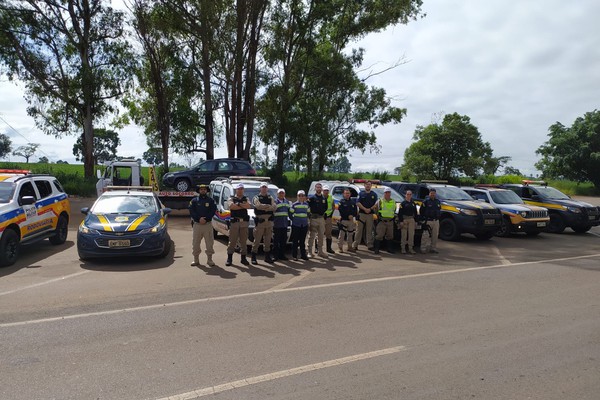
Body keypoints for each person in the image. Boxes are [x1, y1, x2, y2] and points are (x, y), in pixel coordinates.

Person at [188, 184, 217, 266]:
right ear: (199, 191)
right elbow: (191, 211)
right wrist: (198, 219)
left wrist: (206, 219)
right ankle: (196, 260)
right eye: (201, 189)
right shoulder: (194, 201)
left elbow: (213, 211)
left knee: (209, 243)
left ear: (207, 190)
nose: (203, 190)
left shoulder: (211, 201)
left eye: (204, 189)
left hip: (207, 225)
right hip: (197, 225)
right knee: (195, 243)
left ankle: (210, 260)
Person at [226, 183, 252, 266]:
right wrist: (242, 206)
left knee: (243, 241)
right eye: (238, 189)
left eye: (241, 189)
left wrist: (239, 204)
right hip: (235, 222)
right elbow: (231, 206)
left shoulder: (246, 198)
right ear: (236, 190)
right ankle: (229, 258)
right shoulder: (231, 198)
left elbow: (248, 206)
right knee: (232, 241)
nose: (240, 190)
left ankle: (243, 259)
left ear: (243, 190)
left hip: (244, 222)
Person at [251, 182, 276, 264]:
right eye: (263, 187)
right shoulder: (256, 197)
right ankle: (253, 257)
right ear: (260, 188)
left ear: (267, 188)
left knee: (268, 240)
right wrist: (268, 207)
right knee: (257, 240)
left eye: (265, 187)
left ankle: (267, 257)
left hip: (269, 221)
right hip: (260, 221)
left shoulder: (270, 197)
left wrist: (264, 207)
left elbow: (274, 207)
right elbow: (258, 206)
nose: (264, 188)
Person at [353, 181, 378, 250]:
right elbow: (357, 203)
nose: (368, 186)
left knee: (369, 230)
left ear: (371, 186)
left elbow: (376, 204)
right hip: (362, 214)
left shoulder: (374, 194)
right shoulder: (361, 194)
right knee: (359, 230)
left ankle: (369, 245)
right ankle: (355, 244)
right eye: (367, 185)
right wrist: (365, 209)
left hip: (370, 215)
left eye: (369, 185)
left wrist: (370, 209)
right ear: (364, 185)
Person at [307, 183, 328, 258]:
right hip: (314, 219)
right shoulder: (311, 198)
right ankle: (309, 252)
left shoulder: (324, 198)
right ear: (315, 189)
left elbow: (325, 208)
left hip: (321, 219)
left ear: (321, 189)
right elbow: (307, 206)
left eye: (320, 187)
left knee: (321, 236)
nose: (319, 189)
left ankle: (320, 251)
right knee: (312, 236)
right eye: (317, 187)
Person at [373, 187, 396, 254]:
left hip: (390, 221)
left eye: (389, 192)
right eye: (386, 192)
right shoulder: (380, 201)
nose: (387, 194)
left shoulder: (393, 201)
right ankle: (376, 249)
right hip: (382, 221)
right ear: (384, 193)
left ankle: (389, 249)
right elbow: (376, 210)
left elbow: (394, 210)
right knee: (379, 235)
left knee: (390, 236)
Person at [419, 188, 442, 253]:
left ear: (435, 194)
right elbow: (421, 211)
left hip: (436, 221)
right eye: (431, 193)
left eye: (434, 193)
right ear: (429, 194)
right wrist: (423, 220)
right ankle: (423, 249)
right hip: (428, 220)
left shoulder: (438, 201)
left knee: (435, 235)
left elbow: (439, 210)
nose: (433, 194)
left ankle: (433, 248)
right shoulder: (425, 202)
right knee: (425, 235)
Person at [290, 190, 309, 261]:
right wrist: (294, 220)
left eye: (302, 195)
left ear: (304, 197)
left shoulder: (306, 204)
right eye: (299, 195)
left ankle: (303, 255)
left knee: (302, 241)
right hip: (296, 225)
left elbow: (308, 213)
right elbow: (290, 213)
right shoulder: (294, 204)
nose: (301, 197)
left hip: (304, 225)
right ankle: (294, 255)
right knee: (295, 241)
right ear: (297, 196)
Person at [272, 188, 291, 261]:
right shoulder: (274, 202)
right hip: (276, 224)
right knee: (276, 241)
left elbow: (289, 212)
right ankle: (275, 256)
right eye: (280, 193)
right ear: (277, 194)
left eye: (282, 193)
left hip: (284, 224)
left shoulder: (287, 202)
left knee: (283, 241)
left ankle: (282, 255)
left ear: (284, 194)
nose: (281, 194)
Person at [337, 188, 357, 253]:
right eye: (346, 193)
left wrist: (353, 215)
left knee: (350, 234)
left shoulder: (353, 202)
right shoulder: (341, 202)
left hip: (351, 221)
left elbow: (355, 211)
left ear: (350, 194)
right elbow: (341, 211)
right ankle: (340, 247)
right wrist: (347, 216)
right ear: (343, 194)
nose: (347, 194)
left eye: (348, 193)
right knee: (342, 234)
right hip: (344, 220)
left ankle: (350, 247)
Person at [398, 190, 418, 254]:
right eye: (408, 194)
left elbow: (415, 213)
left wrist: (416, 221)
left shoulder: (413, 203)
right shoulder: (403, 203)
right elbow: (400, 213)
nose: (409, 195)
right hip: (404, 220)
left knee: (411, 235)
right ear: (405, 195)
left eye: (410, 194)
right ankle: (403, 248)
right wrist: (401, 221)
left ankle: (410, 248)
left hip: (411, 219)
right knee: (404, 235)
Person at [322, 185, 335, 254]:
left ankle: (329, 248)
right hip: (321, 218)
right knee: (319, 234)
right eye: (325, 190)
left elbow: (333, 206)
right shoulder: (320, 197)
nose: (326, 192)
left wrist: (331, 214)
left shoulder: (331, 197)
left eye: (327, 190)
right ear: (322, 191)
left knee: (329, 233)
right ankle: (317, 248)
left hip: (328, 218)